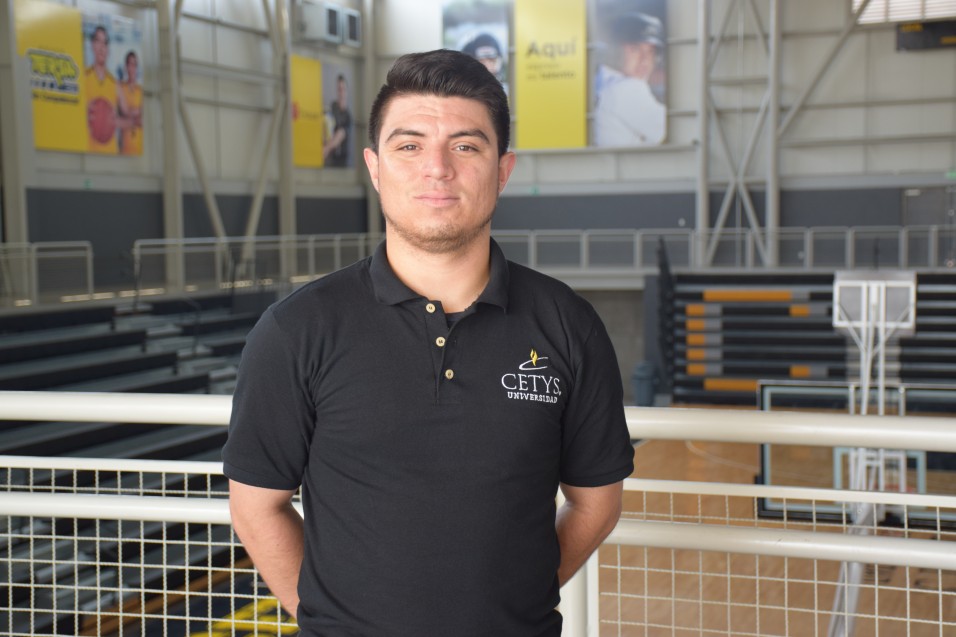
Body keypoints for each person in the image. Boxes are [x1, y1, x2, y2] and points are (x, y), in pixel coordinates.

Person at [223, 49, 634, 636]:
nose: (436, 168)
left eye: (465, 147)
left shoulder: (569, 325)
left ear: (503, 169)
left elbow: (596, 502)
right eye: (409, 146)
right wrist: (331, 621)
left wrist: (517, 603)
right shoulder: (297, 330)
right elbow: (256, 505)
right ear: (374, 166)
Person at [593, 11, 666, 147]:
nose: (645, 60)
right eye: (635, 49)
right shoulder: (627, 89)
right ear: (615, 51)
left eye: (651, 51)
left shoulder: (601, 81)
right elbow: (679, 129)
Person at [85, 25, 117, 153]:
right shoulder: (83, 78)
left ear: (108, 49)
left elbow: (129, 117)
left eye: (105, 43)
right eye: (98, 41)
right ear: (92, 45)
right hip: (88, 151)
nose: (101, 47)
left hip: (111, 152)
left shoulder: (115, 83)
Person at [117, 50, 143, 156]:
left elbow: (142, 118)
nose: (132, 69)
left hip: (139, 150)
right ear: (126, 67)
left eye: (135, 65)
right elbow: (125, 111)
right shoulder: (121, 87)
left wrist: (130, 115)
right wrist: (136, 113)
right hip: (124, 150)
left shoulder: (141, 90)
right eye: (130, 64)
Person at [323, 74, 351, 167]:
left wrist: (326, 149)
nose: (341, 92)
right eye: (339, 89)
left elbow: (340, 134)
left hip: (341, 163)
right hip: (330, 160)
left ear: (347, 91)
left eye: (343, 89)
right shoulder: (332, 108)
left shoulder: (347, 116)